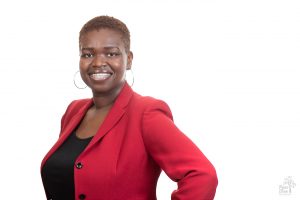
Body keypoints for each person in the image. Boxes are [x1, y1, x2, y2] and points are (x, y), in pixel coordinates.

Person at [40, 15, 218, 200]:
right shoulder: (73, 111)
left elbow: (202, 175)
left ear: (129, 59)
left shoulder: (146, 113)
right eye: (88, 54)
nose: (98, 62)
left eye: (111, 53)